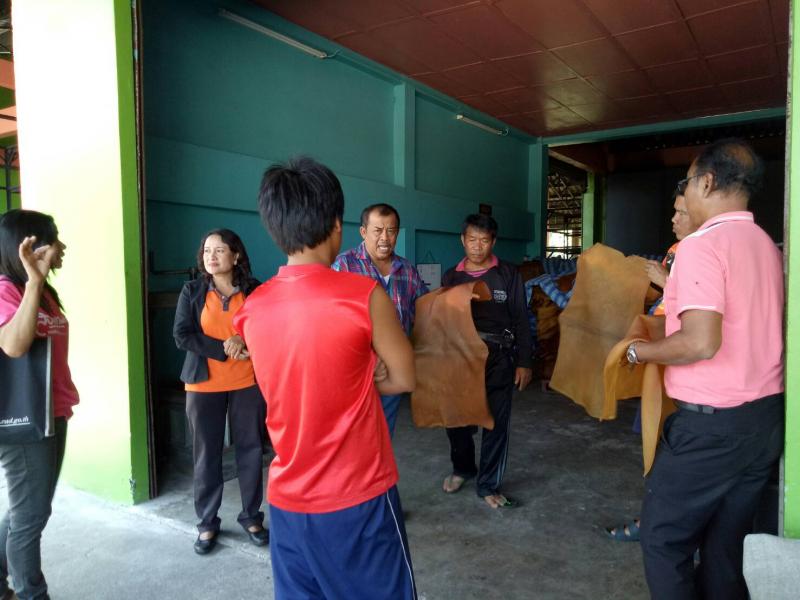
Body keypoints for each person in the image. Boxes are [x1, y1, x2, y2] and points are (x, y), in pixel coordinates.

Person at [234, 157, 417, 599]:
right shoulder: (363, 295)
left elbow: (290, 377)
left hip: (287, 500)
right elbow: (403, 377)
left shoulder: (252, 308)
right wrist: (363, 373)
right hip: (359, 496)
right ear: (337, 225)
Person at [626, 139, 784, 599]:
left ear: (707, 182)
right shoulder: (766, 246)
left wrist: (639, 353)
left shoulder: (702, 245)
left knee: (663, 540)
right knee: (724, 547)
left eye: (688, 182)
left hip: (711, 429)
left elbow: (700, 341)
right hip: (763, 421)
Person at [606, 191, 696, 542]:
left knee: (675, 447)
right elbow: (664, 300)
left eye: (681, 213)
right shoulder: (676, 251)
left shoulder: (707, 252)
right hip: (662, 358)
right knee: (656, 438)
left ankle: (661, 524)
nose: (673, 219)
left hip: (685, 365)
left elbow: (702, 314)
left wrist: (665, 282)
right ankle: (655, 517)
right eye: (674, 211)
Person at [173, 228, 268, 555]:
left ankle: (252, 517)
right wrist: (224, 347)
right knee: (206, 454)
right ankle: (207, 523)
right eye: (206, 251)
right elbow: (182, 335)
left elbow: (266, 328)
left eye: (219, 250)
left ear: (236, 255)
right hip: (203, 384)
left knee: (250, 450)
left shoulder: (254, 290)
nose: (211, 256)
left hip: (246, 382)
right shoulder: (192, 290)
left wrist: (243, 338)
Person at [0, 209, 77, 600]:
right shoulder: (7, 289)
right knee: (30, 516)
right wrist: (33, 281)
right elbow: (13, 346)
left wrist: (37, 283)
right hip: (24, 420)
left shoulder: (43, 291)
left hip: (50, 412)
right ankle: (32, 593)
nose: (62, 247)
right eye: (54, 239)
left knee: (29, 509)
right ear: (29, 246)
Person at [441, 214, 533, 509]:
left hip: (499, 356)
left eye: (484, 240)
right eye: (472, 239)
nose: (477, 246)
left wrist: (524, 361)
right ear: (462, 240)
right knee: (456, 419)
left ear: (493, 242)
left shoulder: (508, 273)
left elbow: (521, 318)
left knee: (495, 423)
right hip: (461, 357)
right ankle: (463, 468)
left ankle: (488, 484)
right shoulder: (452, 276)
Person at [332, 203, 428, 437]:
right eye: (377, 231)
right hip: (358, 369)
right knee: (356, 436)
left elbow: (424, 309)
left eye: (391, 231)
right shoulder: (344, 266)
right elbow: (331, 321)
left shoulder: (407, 269)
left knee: (384, 435)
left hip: (393, 367)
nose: (385, 238)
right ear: (363, 232)